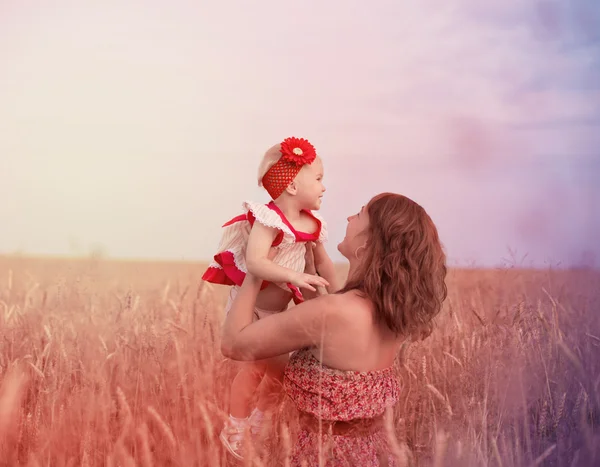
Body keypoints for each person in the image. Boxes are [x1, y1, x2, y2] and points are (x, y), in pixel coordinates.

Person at [221, 192, 448, 465]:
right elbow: (333, 308)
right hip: (370, 452)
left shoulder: (333, 312)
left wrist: (257, 270)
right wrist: (310, 259)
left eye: (360, 213)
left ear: (367, 244)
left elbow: (233, 344)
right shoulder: (391, 311)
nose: (350, 217)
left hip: (322, 455)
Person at [202, 136, 342, 459]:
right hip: (254, 310)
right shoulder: (269, 219)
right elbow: (256, 262)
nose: (324, 187)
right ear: (293, 186)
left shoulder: (311, 224)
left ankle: (258, 425)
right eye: (319, 179)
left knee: (279, 376)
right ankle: (234, 428)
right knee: (253, 370)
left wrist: (335, 295)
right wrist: (294, 276)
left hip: (277, 316)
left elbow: (320, 262)